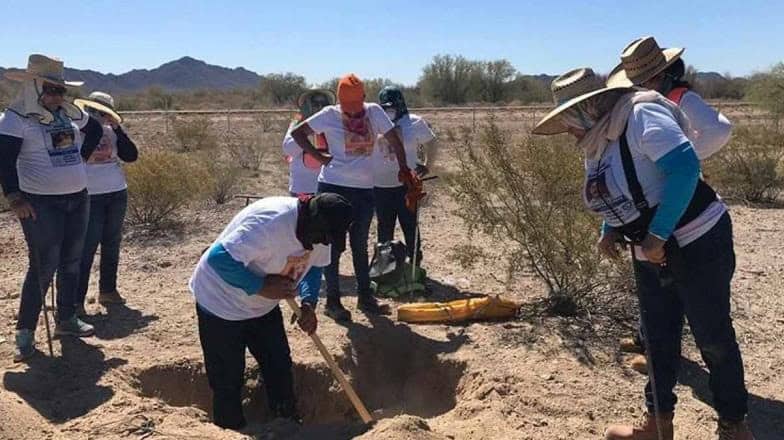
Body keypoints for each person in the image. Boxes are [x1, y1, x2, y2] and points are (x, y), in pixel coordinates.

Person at [532, 68, 753, 439]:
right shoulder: (597, 139)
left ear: (591, 106)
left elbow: (684, 169)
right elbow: (615, 188)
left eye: (569, 118)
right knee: (656, 336)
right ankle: (657, 424)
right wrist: (610, 230)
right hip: (650, 247)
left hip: (698, 239)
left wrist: (657, 235)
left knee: (712, 336)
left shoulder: (639, 115)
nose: (567, 129)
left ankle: (733, 424)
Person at [608, 37, 734, 373]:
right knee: (653, 284)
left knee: (678, 280)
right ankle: (648, 342)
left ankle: (724, 398)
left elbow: (720, 131)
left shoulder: (680, 97)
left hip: (681, 205)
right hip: (653, 200)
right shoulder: (640, 104)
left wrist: (680, 159)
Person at [188, 193, 352, 429]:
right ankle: (231, 428)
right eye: (321, 237)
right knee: (228, 377)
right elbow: (217, 258)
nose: (323, 243)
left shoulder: (322, 234)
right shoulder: (269, 224)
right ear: (310, 221)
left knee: (278, 365)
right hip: (221, 304)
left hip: (263, 307)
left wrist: (308, 302)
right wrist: (262, 286)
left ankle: (285, 423)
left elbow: (314, 266)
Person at [0, 54, 103, 362]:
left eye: (61, 90)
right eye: (50, 89)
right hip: (40, 203)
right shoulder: (16, 118)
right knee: (44, 266)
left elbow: (95, 130)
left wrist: (80, 160)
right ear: (33, 87)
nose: (57, 95)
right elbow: (4, 160)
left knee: (72, 260)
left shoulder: (69, 113)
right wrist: (15, 198)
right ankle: (25, 334)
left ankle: (67, 320)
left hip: (78, 197)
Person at [290, 74, 417, 322]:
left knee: (359, 243)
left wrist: (404, 169)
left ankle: (365, 298)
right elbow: (298, 133)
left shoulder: (375, 113)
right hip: (332, 187)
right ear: (339, 101)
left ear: (364, 98)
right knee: (331, 246)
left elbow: (394, 139)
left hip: (364, 190)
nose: (352, 112)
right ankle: (333, 302)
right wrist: (320, 155)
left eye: (356, 106)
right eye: (347, 107)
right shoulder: (329, 114)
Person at [73, 92, 138, 313]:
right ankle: (76, 301)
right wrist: (94, 129)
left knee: (112, 243)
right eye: (94, 111)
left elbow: (131, 155)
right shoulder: (78, 131)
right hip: (90, 194)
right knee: (87, 248)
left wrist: (117, 129)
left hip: (117, 192)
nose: (98, 115)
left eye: (103, 112)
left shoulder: (112, 132)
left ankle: (108, 291)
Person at [374, 86, 436, 266]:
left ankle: (415, 263)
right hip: (380, 186)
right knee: (384, 228)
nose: (389, 111)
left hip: (407, 185)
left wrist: (427, 165)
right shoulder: (374, 123)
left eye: (392, 106)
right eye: (385, 107)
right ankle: (385, 266)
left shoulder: (414, 122)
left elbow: (432, 142)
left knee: (409, 225)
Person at [281, 89, 335, 196]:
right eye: (315, 103)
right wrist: (309, 129)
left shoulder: (333, 125)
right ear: (306, 106)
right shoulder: (296, 124)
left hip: (328, 186)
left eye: (323, 104)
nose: (319, 107)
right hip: (302, 188)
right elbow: (289, 149)